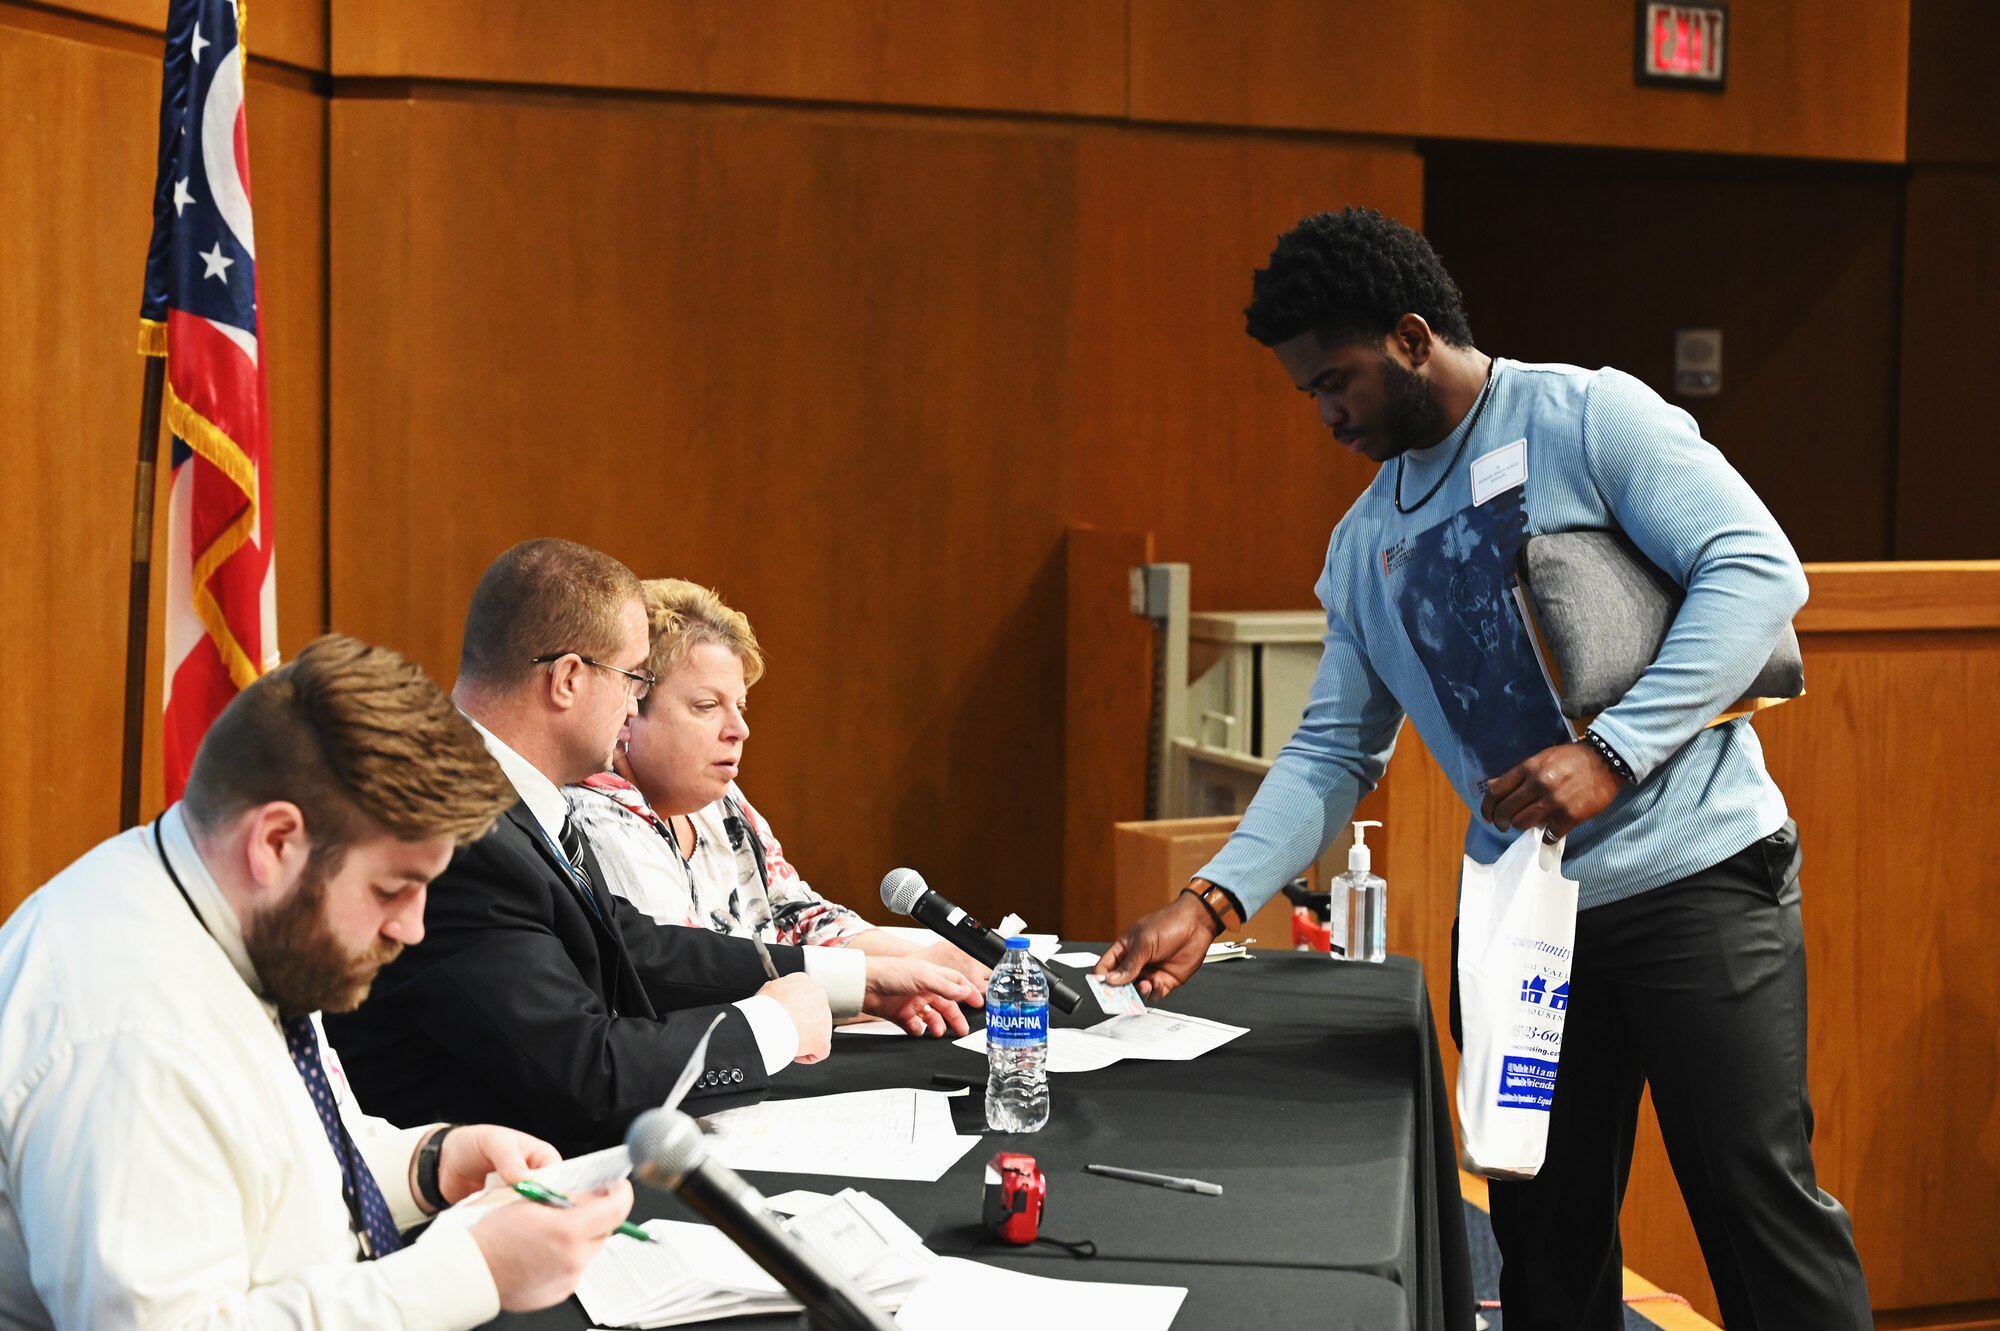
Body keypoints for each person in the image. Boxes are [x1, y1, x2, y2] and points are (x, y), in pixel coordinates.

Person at [1094, 209, 1872, 1330]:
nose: (1325, 415)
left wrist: (1609, 752)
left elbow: (1754, 570)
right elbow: (1330, 748)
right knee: (1542, 1242)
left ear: (1411, 336)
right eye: (1307, 392)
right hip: (1523, 915)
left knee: (1758, 1215)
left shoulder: (1583, 414)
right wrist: (1211, 898)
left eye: (1337, 381)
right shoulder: (1363, 543)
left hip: (1695, 881)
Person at [0, 634, 635, 1329]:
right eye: (394, 887)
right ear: (276, 842)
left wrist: (431, 1163)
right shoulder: (130, 1040)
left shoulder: (235, 912)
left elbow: (277, 1163)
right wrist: (472, 1270)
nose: (413, 927)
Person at [325, 539, 977, 1156]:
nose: (638, 702)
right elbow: (586, 1073)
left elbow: (634, 947)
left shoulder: (510, 792)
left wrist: (855, 979)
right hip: (485, 1203)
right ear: (568, 680)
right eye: (635, 676)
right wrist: (769, 1025)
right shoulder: (456, 828)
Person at [567, 578, 990, 990]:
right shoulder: (594, 813)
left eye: (741, 706)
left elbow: (794, 913)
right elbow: (690, 983)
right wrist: (874, 989)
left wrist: (924, 964)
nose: (739, 730)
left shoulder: (717, 797)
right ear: (629, 706)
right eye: (707, 706)